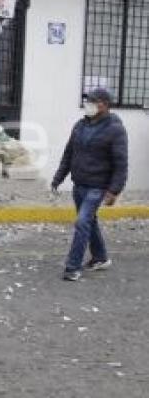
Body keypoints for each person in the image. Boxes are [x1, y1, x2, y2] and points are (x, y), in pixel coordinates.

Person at [51, 87, 128, 281]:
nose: (88, 104)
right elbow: (69, 154)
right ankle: (100, 257)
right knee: (90, 222)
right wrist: (58, 178)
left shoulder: (115, 129)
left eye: (93, 101)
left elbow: (121, 163)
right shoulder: (80, 125)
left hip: (98, 186)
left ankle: (72, 268)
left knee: (82, 221)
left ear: (104, 104)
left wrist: (114, 191)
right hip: (80, 184)